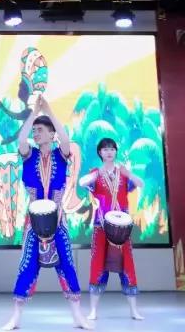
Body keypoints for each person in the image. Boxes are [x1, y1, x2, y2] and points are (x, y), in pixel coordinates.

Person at [3, 96, 91, 331]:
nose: (36, 134)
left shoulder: (61, 155)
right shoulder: (29, 155)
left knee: (67, 265)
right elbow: (21, 139)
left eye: (40, 130)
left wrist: (49, 111)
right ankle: (15, 318)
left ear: (52, 134)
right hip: (33, 222)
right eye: (35, 130)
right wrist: (34, 113)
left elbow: (66, 138)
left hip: (58, 221)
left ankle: (78, 316)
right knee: (26, 266)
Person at [78, 137, 143, 321]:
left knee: (127, 265)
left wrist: (128, 173)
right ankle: (93, 311)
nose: (109, 152)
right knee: (98, 265)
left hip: (122, 228)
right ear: (100, 152)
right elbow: (82, 182)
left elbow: (141, 184)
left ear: (116, 152)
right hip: (101, 226)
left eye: (112, 149)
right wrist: (97, 174)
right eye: (105, 149)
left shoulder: (123, 173)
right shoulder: (95, 173)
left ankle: (134, 311)